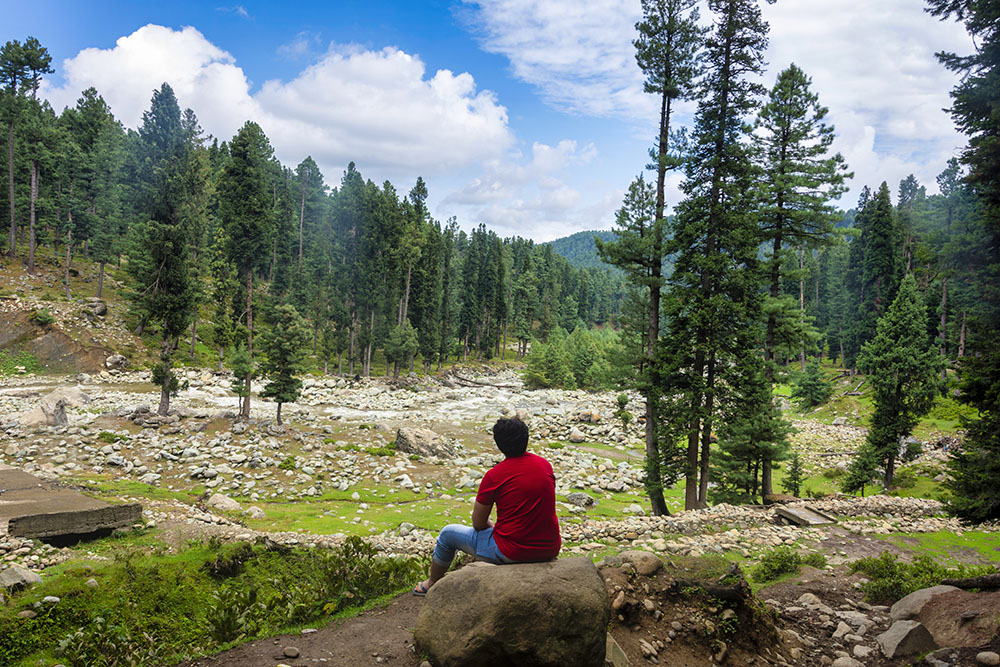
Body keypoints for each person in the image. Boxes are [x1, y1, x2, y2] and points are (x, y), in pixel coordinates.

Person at [412, 417, 560, 596]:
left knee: (447, 534)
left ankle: (432, 583)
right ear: (526, 439)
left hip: (512, 551)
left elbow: (478, 524)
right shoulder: (545, 465)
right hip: (549, 547)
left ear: (498, 443)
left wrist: (493, 526)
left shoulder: (494, 476)